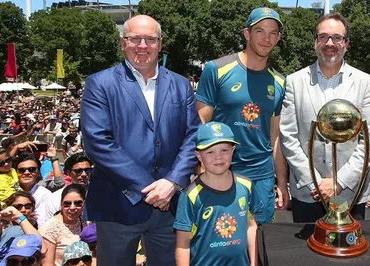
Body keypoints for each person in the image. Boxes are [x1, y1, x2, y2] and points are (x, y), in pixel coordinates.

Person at [81, 14, 200, 265]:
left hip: (169, 205)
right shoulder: (99, 84)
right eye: (135, 39)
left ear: (160, 43)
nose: (143, 46)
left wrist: (172, 183)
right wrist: (151, 188)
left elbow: (193, 137)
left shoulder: (180, 85)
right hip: (117, 205)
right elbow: (97, 142)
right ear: (123, 42)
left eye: (150, 39)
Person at [279, 13, 370, 222]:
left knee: (352, 253)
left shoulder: (366, 83)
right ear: (315, 42)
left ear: (346, 43)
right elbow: (288, 136)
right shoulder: (294, 82)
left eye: (337, 37)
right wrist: (314, 180)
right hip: (307, 193)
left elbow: (369, 141)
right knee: (306, 253)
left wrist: (339, 181)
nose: (329, 43)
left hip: (351, 193)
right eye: (323, 37)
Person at [195, 7, 288, 224]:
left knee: (262, 244)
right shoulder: (216, 69)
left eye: (273, 33)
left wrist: (282, 183)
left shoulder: (280, 82)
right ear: (247, 33)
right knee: (223, 244)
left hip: (262, 178)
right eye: (260, 31)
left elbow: (275, 138)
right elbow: (200, 126)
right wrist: (200, 172)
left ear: (278, 38)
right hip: (223, 173)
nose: (267, 38)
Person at [174, 122, 261, 266]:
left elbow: (251, 226)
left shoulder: (246, 186)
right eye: (210, 152)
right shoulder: (190, 195)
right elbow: (183, 245)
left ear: (233, 151)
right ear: (199, 156)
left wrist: (254, 263)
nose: (218, 157)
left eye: (224, 150)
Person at [39, 184, 89, 266]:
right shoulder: (49, 228)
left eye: (78, 203)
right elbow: (47, 263)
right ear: (61, 204)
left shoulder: (86, 222)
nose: (72, 207)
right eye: (67, 204)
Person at [43, 153, 92, 223]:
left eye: (87, 170)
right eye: (78, 171)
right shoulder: (55, 198)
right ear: (69, 173)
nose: (84, 174)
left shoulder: (101, 193)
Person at [13, 153, 52, 226]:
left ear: (38, 172)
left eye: (32, 169)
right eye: (22, 170)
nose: (27, 173)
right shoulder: (8, 191)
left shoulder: (46, 195)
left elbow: (42, 222)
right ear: (16, 172)